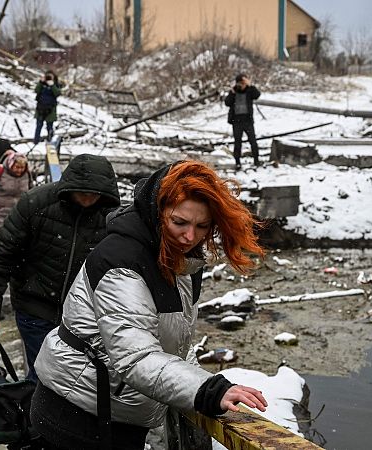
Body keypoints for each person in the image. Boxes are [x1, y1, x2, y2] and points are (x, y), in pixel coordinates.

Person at [32, 160, 269, 449]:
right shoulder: (122, 262)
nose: (190, 236)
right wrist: (207, 390)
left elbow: (175, 344)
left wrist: (197, 383)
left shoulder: (183, 260)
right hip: (79, 413)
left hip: (116, 408)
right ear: (157, 213)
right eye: (179, 222)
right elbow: (136, 357)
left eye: (202, 226)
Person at [0, 154, 121, 382]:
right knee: (45, 376)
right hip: (35, 306)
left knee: (73, 379)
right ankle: (33, 412)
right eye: (82, 192)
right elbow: (2, 255)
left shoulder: (111, 218)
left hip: (81, 314)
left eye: (93, 194)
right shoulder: (36, 204)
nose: (87, 198)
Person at [225, 73, 261, 170]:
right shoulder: (234, 91)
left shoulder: (249, 90)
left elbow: (257, 95)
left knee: (253, 141)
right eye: (240, 83)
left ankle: (256, 160)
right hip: (237, 121)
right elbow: (227, 103)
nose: (242, 85)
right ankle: (237, 162)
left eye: (243, 83)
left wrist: (250, 85)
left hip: (247, 121)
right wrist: (232, 93)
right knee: (237, 142)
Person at [33, 71, 61, 145]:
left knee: (49, 127)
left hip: (50, 109)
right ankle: (36, 141)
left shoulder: (55, 85)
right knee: (38, 126)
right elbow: (36, 90)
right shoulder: (42, 84)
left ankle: (50, 141)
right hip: (40, 108)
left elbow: (57, 93)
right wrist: (41, 82)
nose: (48, 79)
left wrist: (52, 85)